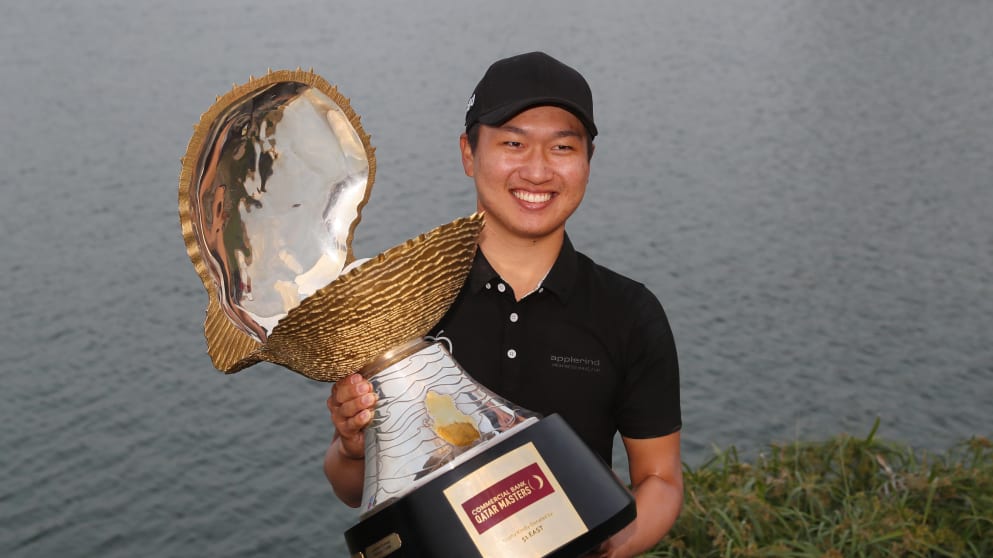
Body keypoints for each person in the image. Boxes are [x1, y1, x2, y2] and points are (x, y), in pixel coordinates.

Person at [325, 51, 683, 558]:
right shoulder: (404, 304)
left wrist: (608, 547)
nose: (537, 170)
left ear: (588, 160)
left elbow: (660, 479)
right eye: (513, 143)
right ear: (468, 153)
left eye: (562, 147)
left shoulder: (629, 313)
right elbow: (348, 486)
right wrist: (351, 447)